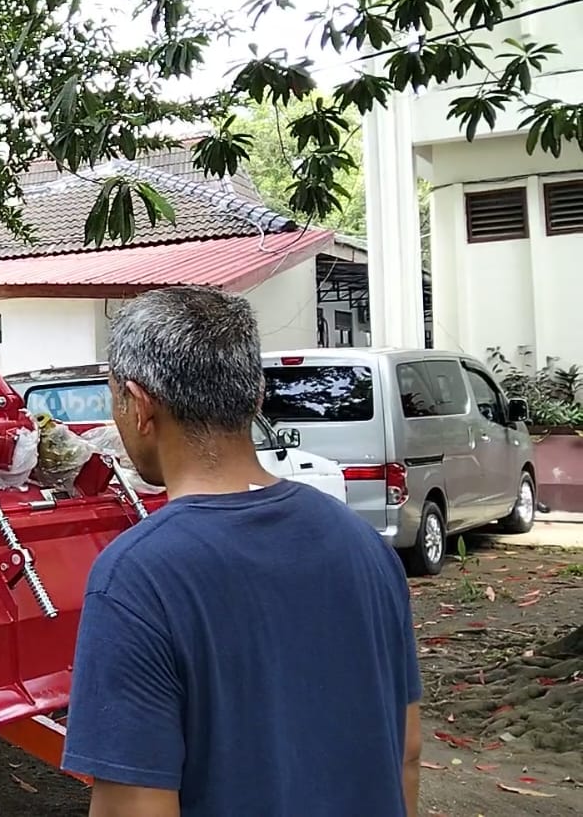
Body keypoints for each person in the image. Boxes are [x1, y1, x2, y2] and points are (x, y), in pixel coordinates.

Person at [60, 286, 422, 817]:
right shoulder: (365, 547)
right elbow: (406, 754)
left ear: (138, 406)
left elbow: (135, 807)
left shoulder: (138, 577)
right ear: (255, 397)